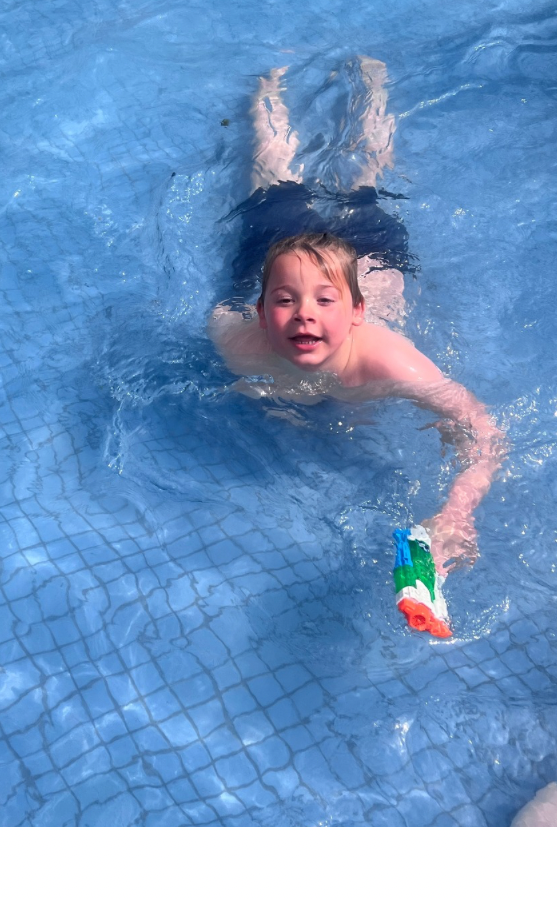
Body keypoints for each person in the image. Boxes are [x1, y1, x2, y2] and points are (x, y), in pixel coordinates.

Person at [208, 58, 506, 575]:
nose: (304, 315)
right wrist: (273, 399)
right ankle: (267, 92)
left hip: (371, 258)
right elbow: (227, 325)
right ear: (259, 313)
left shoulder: (390, 364)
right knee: (271, 179)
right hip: (280, 255)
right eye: (284, 303)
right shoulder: (236, 343)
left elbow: (482, 429)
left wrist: (456, 513)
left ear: (357, 315)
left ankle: (371, 88)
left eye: (325, 303)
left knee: (366, 180)